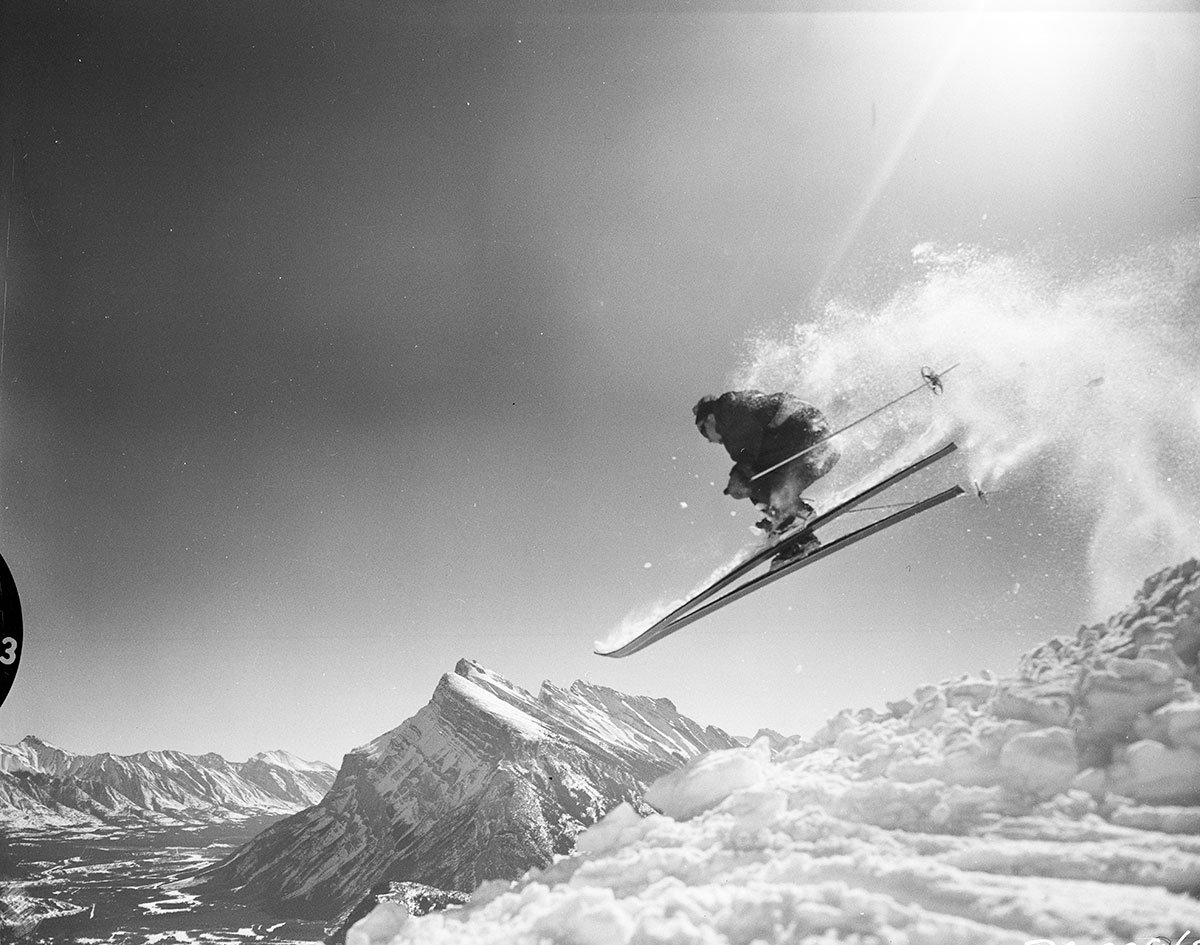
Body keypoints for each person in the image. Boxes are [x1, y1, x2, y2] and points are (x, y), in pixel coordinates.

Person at [693, 390, 839, 535]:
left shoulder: (726, 411)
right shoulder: (740, 404)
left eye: (704, 432)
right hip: (822, 447)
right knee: (760, 483)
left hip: (806, 438)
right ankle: (787, 516)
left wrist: (738, 478)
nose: (709, 440)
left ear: (710, 418)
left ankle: (790, 515)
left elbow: (746, 456)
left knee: (748, 481)